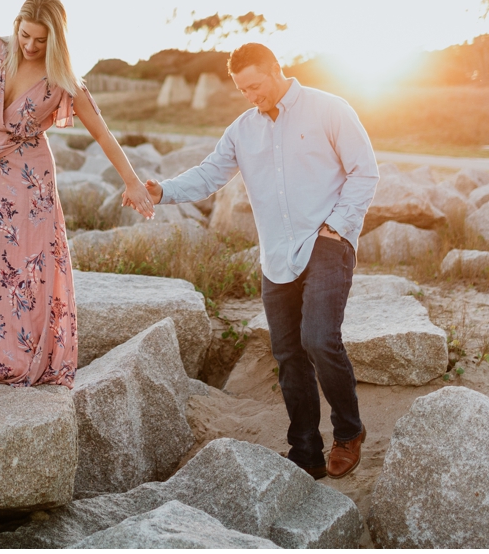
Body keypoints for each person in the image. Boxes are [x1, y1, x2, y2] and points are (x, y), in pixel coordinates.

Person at [144, 43, 379, 479]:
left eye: (255, 85)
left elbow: (365, 171)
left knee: (319, 339)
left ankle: (349, 432)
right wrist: (162, 191)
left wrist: (338, 226)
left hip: (326, 243)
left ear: (275, 71)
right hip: (276, 254)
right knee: (288, 354)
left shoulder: (329, 109)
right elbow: (210, 174)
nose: (251, 95)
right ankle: (306, 451)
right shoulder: (241, 130)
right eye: (242, 90)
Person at [0, 0, 155, 388]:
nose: (30, 45)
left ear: (56, 40)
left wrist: (132, 181)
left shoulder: (63, 81)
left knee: (30, 271)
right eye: (25, 35)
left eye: (40, 40)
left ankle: (28, 357)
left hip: (32, 184)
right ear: (16, 26)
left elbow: (103, 133)